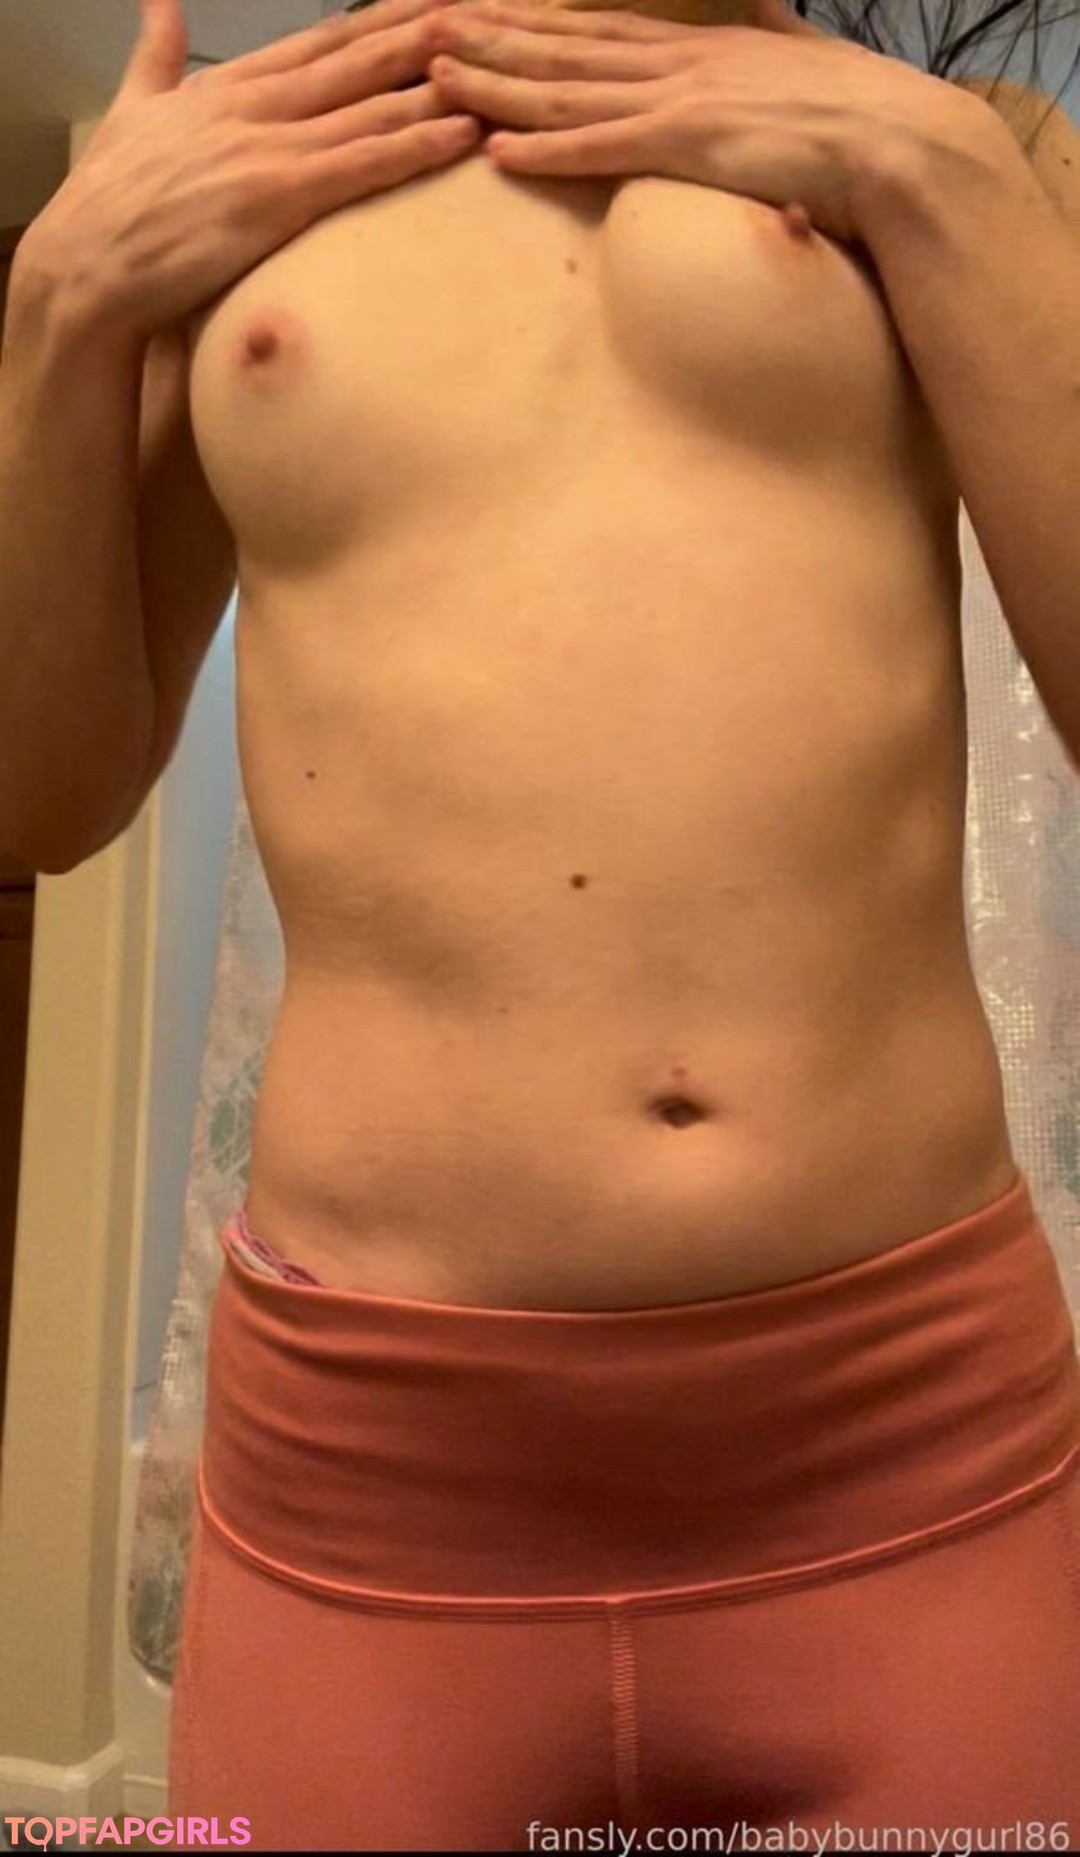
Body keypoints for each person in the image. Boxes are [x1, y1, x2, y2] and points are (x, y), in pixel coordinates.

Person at [2, 0, 1079, 1845]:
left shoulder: (971, 146)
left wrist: (932, 173)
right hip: (374, 1478)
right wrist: (56, 307)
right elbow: (39, 794)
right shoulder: (254, 168)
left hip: (907, 1451)